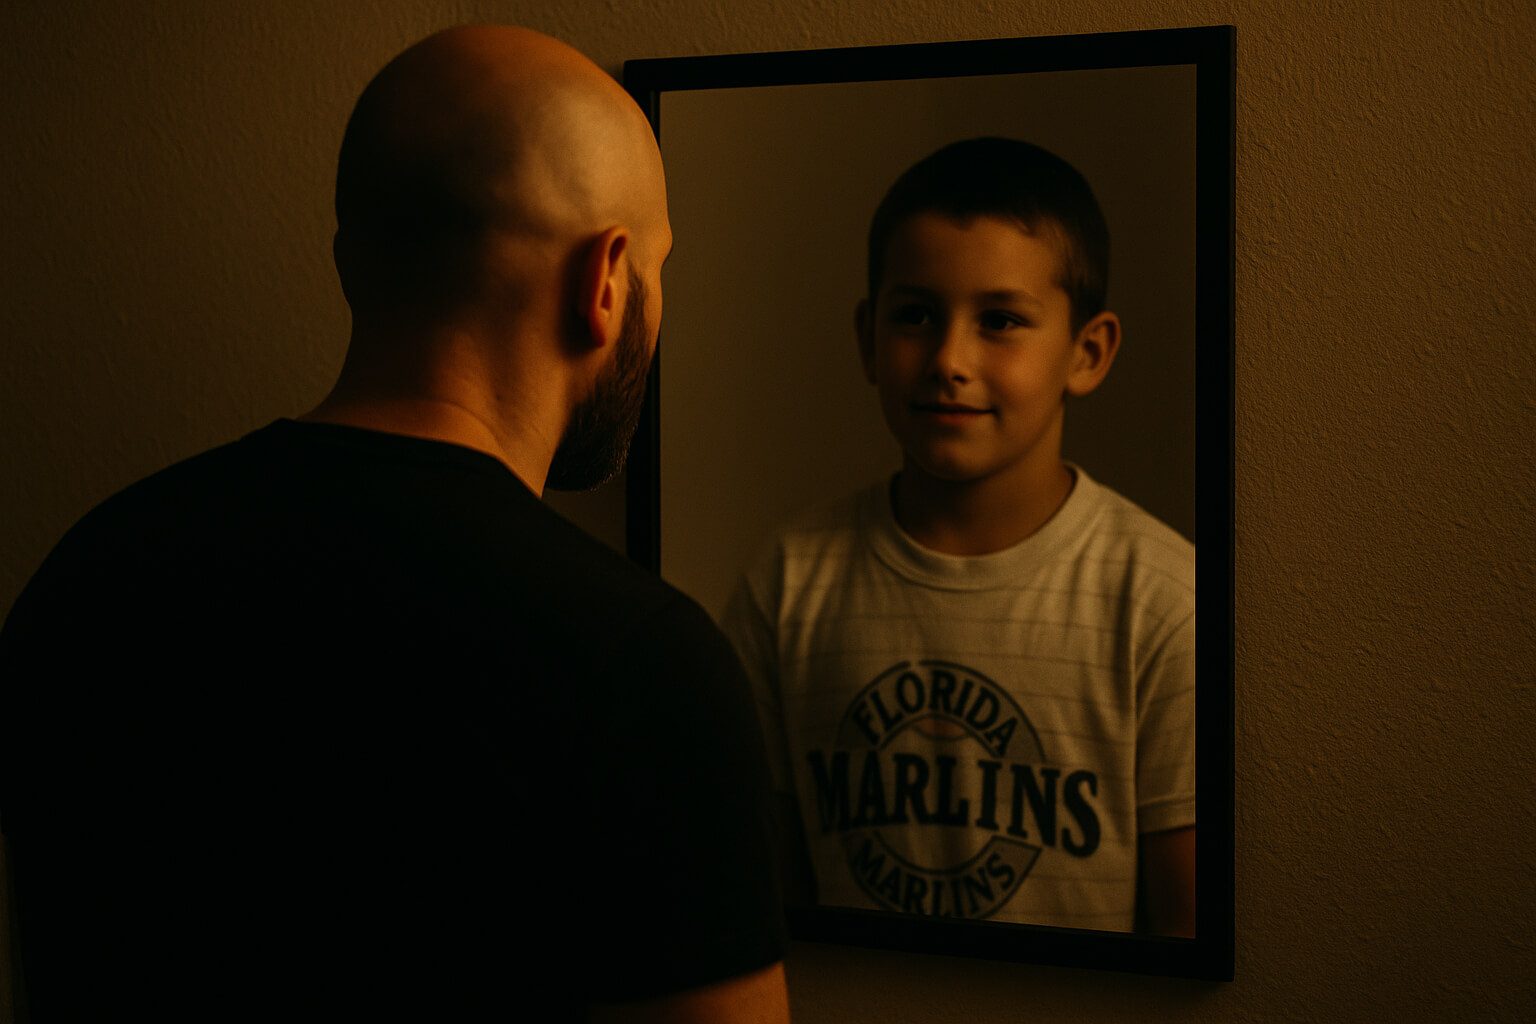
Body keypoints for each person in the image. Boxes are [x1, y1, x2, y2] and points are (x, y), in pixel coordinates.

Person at [0, 25, 790, 1021]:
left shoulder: (87, 575)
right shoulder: (643, 665)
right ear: (606, 279)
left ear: (353, 260)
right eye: (659, 268)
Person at [721, 137, 1195, 936]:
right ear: (869, 337)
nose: (949, 360)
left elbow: (1189, 936)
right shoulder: (789, 579)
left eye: (1001, 321)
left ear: (1088, 352)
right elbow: (766, 896)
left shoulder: (1161, 600)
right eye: (916, 316)